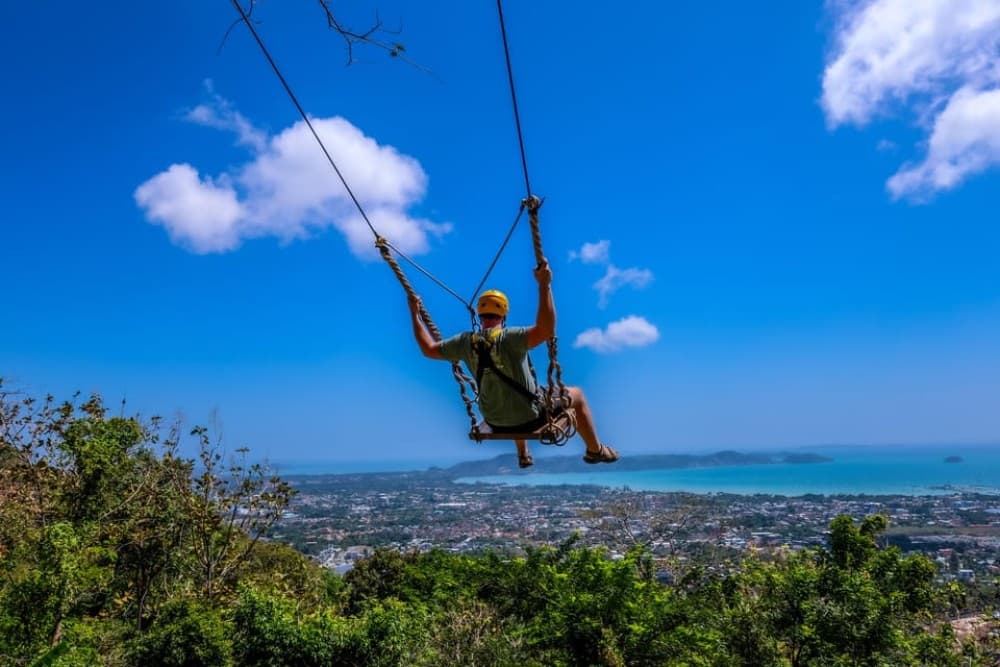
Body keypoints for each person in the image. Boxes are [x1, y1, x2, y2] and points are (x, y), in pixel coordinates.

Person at [407, 258, 619, 469]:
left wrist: (415, 315)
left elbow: (428, 349)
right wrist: (544, 285)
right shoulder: (511, 337)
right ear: (504, 315)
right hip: (529, 417)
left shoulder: (464, 342)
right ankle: (595, 450)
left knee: (519, 390)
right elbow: (545, 329)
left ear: (480, 316)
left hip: (494, 419)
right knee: (576, 395)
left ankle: (523, 453)